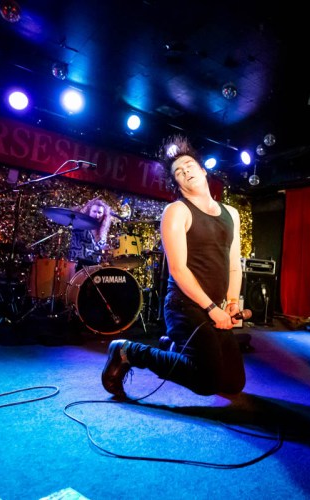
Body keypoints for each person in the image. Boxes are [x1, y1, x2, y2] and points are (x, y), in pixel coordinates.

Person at [101, 135, 245, 398]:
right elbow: (178, 270)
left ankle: (174, 348)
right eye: (179, 172)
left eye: (189, 165)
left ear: (203, 170)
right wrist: (212, 309)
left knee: (233, 384)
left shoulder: (231, 214)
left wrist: (232, 302)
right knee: (206, 383)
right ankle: (127, 351)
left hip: (214, 306)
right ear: (177, 184)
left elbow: (234, 265)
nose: (186, 171)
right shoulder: (177, 211)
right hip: (184, 306)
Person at [66, 197, 113, 268]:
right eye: (94, 211)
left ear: (104, 215)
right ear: (89, 212)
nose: (96, 215)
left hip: (94, 265)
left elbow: (100, 248)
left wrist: (105, 248)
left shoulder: (103, 231)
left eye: (99, 213)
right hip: (78, 263)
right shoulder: (80, 225)